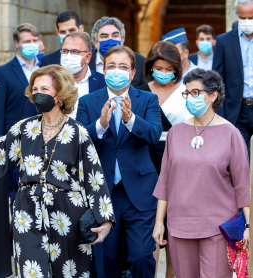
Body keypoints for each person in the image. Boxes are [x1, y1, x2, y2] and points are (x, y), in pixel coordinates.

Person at [0, 64, 114, 277]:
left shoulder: (78, 132)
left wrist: (105, 220)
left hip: (68, 214)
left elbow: (94, 177)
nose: (38, 94)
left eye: (44, 89)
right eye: (35, 90)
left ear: (60, 95)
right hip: (27, 211)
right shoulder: (23, 128)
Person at [152, 68, 250, 278]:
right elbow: (165, 181)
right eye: (187, 93)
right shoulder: (175, 133)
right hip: (179, 226)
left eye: (196, 93)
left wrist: (248, 226)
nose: (190, 98)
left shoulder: (231, 134)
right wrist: (159, 222)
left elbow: (242, 185)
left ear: (213, 95)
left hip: (218, 227)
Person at [76, 46, 162, 278]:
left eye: (123, 67)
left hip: (140, 192)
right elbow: (78, 140)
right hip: (103, 192)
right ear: (103, 71)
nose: (117, 71)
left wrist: (130, 119)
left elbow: (154, 135)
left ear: (132, 73)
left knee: (142, 255)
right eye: (111, 66)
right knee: (107, 258)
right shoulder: (87, 101)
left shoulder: (148, 99)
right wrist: (101, 124)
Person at [137, 40, 190, 278]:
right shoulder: (139, 89)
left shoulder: (188, 90)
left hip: (179, 160)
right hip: (146, 160)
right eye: (159, 68)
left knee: (174, 229)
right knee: (150, 228)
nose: (164, 73)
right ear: (150, 66)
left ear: (177, 68)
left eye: (169, 69)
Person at [0, 23, 40, 216]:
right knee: (18, 198)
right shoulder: (3, 72)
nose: (32, 44)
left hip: (42, 143)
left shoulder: (45, 70)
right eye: (27, 41)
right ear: (17, 44)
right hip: (16, 146)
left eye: (35, 41)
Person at [24, 32, 106, 119]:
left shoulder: (102, 82)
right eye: (65, 51)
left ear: (88, 57)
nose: (69, 56)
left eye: (75, 51)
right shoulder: (46, 81)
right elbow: (30, 119)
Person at [213, 0, 253, 150]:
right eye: (243, 18)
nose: (247, 22)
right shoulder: (223, 41)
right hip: (236, 111)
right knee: (238, 160)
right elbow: (217, 80)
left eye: (251, 17)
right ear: (236, 15)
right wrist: (221, 114)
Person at [90, 17, 146, 88]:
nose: (110, 40)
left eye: (115, 36)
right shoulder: (86, 61)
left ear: (122, 40)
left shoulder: (140, 63)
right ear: (95, 42)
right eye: (104, 36)